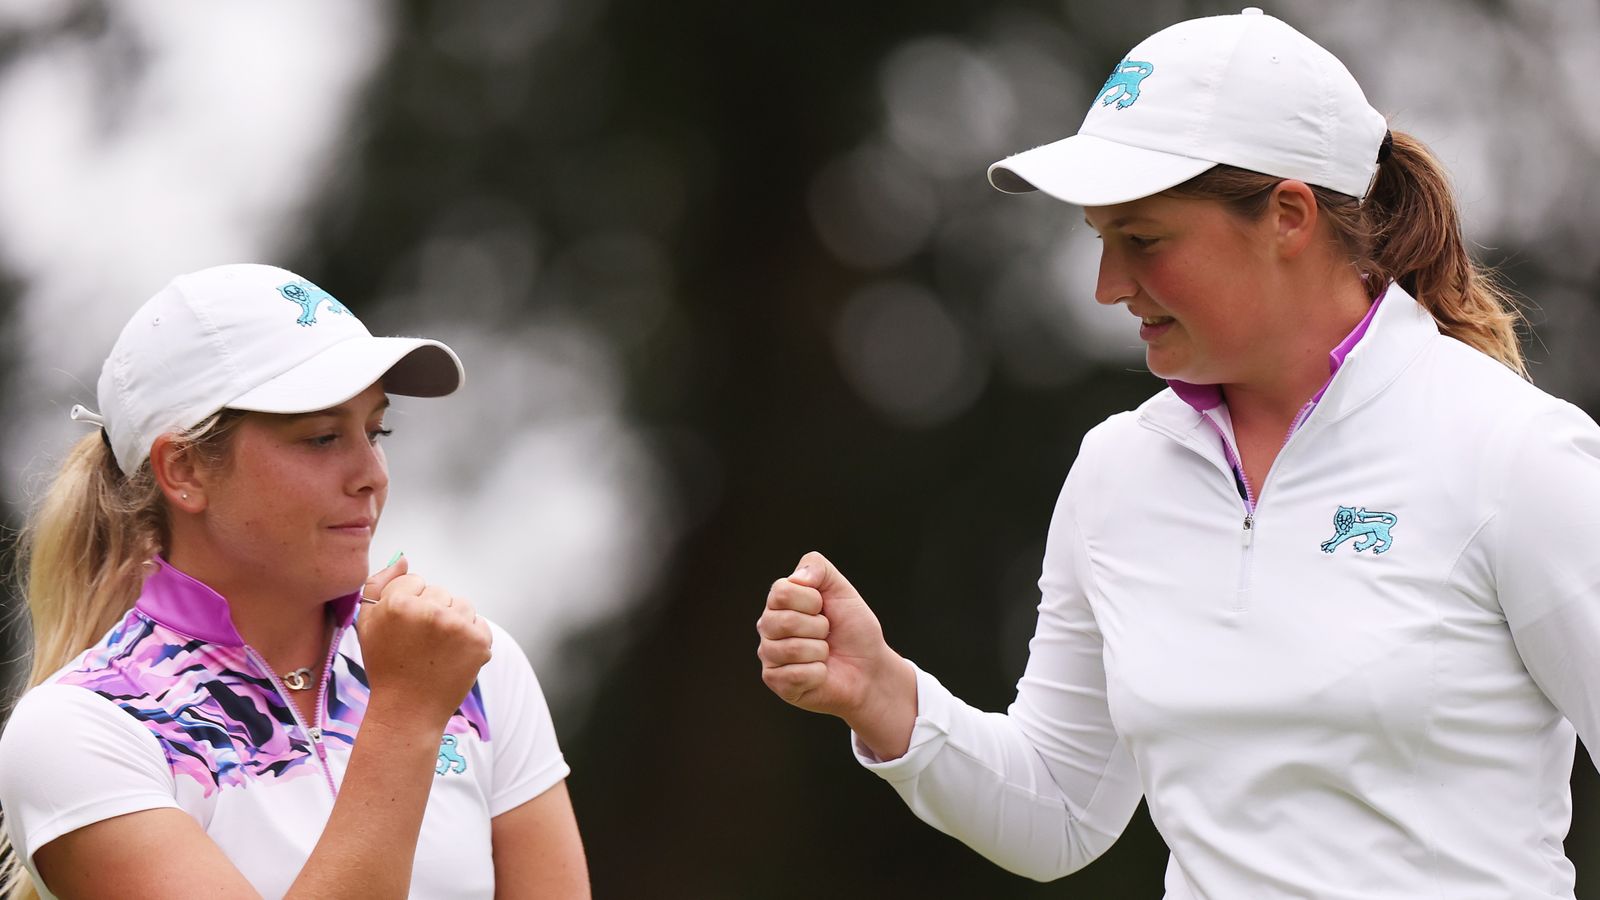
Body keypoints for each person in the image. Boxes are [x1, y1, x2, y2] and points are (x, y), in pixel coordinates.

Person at [757, 8, 1600, 898]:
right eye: (1102, 240)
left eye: (1144, 239)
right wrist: (885, 694)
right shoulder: (1119, 472)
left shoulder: (1514, 453)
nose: (1108, 286)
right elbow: (1061, 809)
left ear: (1288, 215)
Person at [0, 263, 590, 898]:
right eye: (321, 438)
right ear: (185, 470)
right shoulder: (81, 729)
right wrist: (406, 714)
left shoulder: (475, 667)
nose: (371, 473)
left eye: (376, 430)